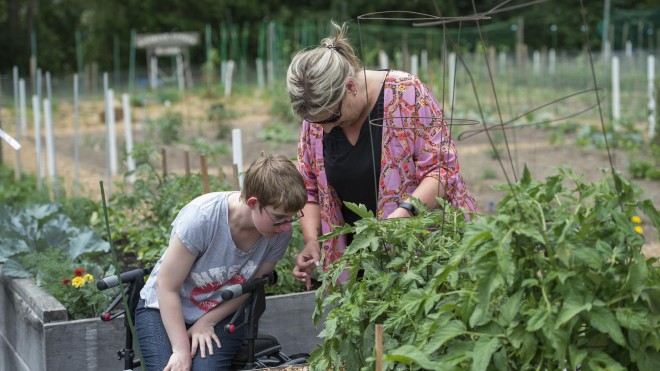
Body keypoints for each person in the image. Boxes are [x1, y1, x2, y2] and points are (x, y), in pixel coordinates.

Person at [286, 21, 478, 290]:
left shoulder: (406, 93)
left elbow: (442, 171)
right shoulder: (318, 115)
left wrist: (402, 216)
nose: (325, 129)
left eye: (332, 118)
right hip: (359, 258)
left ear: (351, 87)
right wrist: (311, 241)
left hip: (428, 251)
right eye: (317, 123)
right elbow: (308, 187)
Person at [134, 154, 307, 371]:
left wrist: (207, 322)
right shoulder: (203, 218)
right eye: (280, 217)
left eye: (292, 217)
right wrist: (180, 351)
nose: (287, 227)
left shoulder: (278, 232)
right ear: (253, 203)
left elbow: (250, 286)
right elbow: (166, 286)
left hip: (221, 311)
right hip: (162, 308)